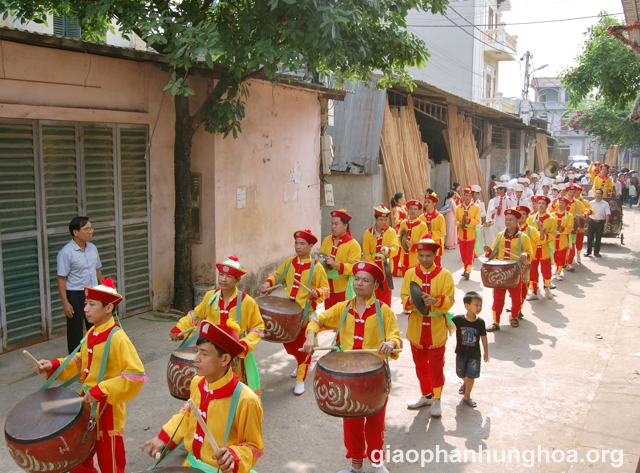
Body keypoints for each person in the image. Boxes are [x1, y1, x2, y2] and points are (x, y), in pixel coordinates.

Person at [36, 279, 146, 473]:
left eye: (91, 304)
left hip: (107, 409)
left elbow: (135, 374)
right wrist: (52, 365)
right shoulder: (92, 333)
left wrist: (102, 389)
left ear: (108, 307)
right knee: (79, 458)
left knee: (110, 461)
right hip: (86, 403)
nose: (85, 309)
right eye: (86, 304)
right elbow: (79, 361)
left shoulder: (118, 338)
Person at [303, 262, 401, 473]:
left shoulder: (383, 311)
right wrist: (311, 334)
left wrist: (390, 344)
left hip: (374, 379)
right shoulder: (343, 308)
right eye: (357, 279)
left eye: (366, 280)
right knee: (351, 424)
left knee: (375, 424)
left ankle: (376, 462)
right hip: (347, 379)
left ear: (374, 285)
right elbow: (316, 319)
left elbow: (395, 336)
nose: (359, 283)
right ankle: (356, 464)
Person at [142, 322, 264, 473]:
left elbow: (254, 446)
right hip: (191, 465)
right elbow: (187, 415)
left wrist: (235, 455)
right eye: (197, 351)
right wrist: (165, 436)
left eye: (204, 354)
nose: (196, 358)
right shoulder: (197, 383)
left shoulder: (246, 400)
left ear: (225, 360)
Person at [170, 256, 265, 392]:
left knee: (233, 389)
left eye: (228, 276)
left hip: (234, 356)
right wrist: (179, 328)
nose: (223, 279)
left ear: (237, 280)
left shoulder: (247, 302)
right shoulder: (210, 296)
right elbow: (196, 316)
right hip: (211, 353)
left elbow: (258, 328)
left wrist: (244, 344)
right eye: (221, 274)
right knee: (210, 387)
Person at [259, 229, 329, 395]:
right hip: (288, 314)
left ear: (311, 246)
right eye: (296, 243)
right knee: (290, 345)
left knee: (303, 348)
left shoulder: (317, 267)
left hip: (305, 315)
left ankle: (300, 379)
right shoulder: (290, 262)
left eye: (302, 244)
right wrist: (268, 284)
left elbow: (326, 290)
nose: (298, 247)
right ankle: (299, 362)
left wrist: (317, 292)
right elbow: (277, 275)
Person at [400, 237, 455, 417]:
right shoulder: (410, 274)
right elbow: (403, 299)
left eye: (428, 256)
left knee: (436, 367)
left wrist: (436, 301)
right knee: (420, 366)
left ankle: (437, 399)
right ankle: (427, 395)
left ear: (435, 255)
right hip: (416, 328)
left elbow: (451, 300)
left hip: (437, 328)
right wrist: (412, 302)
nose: (424, 259)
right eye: (421, 255)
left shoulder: (445, 275)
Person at [57, 216, 103, 354]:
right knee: (75, 330)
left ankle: (95, 356)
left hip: (93, 292)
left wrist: (106, 289)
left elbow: (98, 271)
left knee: (95, 327)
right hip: (76, 294)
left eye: (91, 228)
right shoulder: (66, 252)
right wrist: (66, 303)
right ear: (75, 232)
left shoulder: (93, 248)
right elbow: (61, 279)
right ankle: (76, 360)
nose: (90, 231)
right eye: (86, 229)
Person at [484, 209, 533, 331]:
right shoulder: (500, 235)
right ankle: (496, 321)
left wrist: (525, 255)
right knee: (498, 297)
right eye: (506, 219)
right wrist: (488, 250)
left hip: (515, 272)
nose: (508, 222)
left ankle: (514, 316)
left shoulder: (524, 237)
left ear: (517, 221)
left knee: (516, 296)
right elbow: (494, 252)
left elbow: (529, 253)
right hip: (500, 272)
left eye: (511, 219)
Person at [319, 209, 362, 309]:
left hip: (343, 288)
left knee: (343, 317)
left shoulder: (353, 245)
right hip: (327, 287)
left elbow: (354, 267)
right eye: (332, 224)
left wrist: (335, 265)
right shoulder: (327, 240)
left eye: (336, 224)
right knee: (328, 317)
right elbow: (320, 259)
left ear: (345, 225)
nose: (333, 227)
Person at [453, 292, 488, 408]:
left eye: (480, 305)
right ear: (467, 306)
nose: (479, 308)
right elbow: (447, 323)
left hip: (474, 355)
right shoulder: (458, 319)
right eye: (476, 305)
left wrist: (486, 352)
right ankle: (465, 382)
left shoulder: (480, 322)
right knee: (460, 373)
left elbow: (483, 337)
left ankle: (467, 396)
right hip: (461, 353)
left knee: (471, 376)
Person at [363, 204, 399, 307]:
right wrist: (373, 266)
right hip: (372, 270)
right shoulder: (368, 233)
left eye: (385, 220)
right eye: (381, 220)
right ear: (375, 219)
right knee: (371, 294)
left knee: (385, 295)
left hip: (386, 268)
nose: (384, 222)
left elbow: (396, 248)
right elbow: (366, 253)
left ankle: (385, 316)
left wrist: (388, 250)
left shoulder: (391, 232)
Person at [527, 196, 557, 300]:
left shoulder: (552, 219)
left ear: (546, 206)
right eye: (538, 203)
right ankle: (534, 291)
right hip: (533, 249)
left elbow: (553, 234)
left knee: (546, 270)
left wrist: (542, 231)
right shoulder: (531, 218)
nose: (540, 205)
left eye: (543, 203)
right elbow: (527, 233)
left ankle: (547, 287)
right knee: (533, 270)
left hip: (544, 249)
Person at [516, 205, 540, 310]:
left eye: (524, 214)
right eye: (519, 214)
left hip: (528, 261)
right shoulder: (511, 230)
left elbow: (540, 240)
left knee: (529, 279)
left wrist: (542, 229)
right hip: (515, 262)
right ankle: (516, 305)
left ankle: (533, 292)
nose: (521, 216)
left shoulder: (532, 230)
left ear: (527, 217)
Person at [455, 186, 481, 280]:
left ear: (472, 196)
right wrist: (460, 223)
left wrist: (469, 220)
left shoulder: (476, 207)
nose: (468, 197)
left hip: (471, 234)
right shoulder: (459, 207)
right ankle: (465, 268)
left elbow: (478, 221)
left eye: (470, 195)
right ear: (464, 196)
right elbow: (455, 220)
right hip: (461, 234)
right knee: (463, 253)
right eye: (466, 195)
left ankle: (468, 270)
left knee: (469, 253)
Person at [565, 184, 593, 270]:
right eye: (570, 192)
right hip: (562, 228)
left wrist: (584, 214)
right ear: (567, 192)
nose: (572, 194)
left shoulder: (579, 203)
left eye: (574, 192)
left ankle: (570, 261)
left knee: (573, 245)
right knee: (561, 247)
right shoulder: (561, 201)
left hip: (573, 227)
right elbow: (552, 210)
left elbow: (589, 211)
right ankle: (562, 263)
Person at [398, 200, 428, 275]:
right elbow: (399, 238)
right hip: (404, 256)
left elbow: (424, 243)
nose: (413, 211)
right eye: (411, 209)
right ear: (408, 210)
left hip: (416, 257)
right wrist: (402, 241)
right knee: (405, 279)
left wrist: (413, 246)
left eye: (415, 209)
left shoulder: (422, 225)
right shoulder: (403, 223)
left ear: (418, 211)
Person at [419, 193, 446, 266]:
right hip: (424, 245)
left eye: (428, 202)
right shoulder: (421, 217)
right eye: (425, 202)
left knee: (436, 266)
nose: (426, 204)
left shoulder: (440, 217)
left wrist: (432, 234)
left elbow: (443, 232)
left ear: (434, 203)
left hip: (435, 245)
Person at [552, 197, 575, 281]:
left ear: (566, 205)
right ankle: (556, 268)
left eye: (563, 204)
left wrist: (562, 229)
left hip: (563, 238)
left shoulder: (569, 215)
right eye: (560, 203)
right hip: (554, 239)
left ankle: (558, 272)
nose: (561, 205)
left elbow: (569, 228)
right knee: (554, 256)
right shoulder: (553, 214)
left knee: (561, 256)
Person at [585, 189, 611, 258]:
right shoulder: (591, 203)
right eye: (596, 193)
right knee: (589, 237)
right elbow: (587, 212)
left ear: (602, 195)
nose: (598, 195)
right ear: (595, 194)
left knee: (598, 238)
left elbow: (607, 214)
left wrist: (606, 223)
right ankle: (588, 252)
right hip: (591, 221)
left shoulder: (605, 204)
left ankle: (596, 252)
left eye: (599, 193)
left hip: (600, 222)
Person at [390, 192, 407, 277]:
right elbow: (396, 221)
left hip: (403, 229)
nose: (404, 199)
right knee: (398, 250)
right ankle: (396, 270)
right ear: (399, 199)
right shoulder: (396, 209)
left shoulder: (402, 207)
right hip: (398, 230)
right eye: (403, 198)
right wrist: (405, 222)